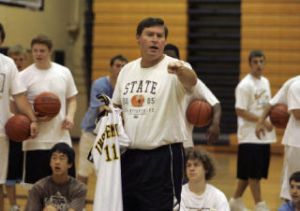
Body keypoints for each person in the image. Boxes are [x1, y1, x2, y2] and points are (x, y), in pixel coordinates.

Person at [112, 17, 197, 210]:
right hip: (130, 157)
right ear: (138, 38)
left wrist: (181, 70)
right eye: (150, 35)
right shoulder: (127, 70)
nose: (155, 39)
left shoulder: (176, 67)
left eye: (160, 36)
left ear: (165, 41)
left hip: (163, 157)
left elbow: (192, 82)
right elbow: (116, 106)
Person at [19, 35, 78, 185]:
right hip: (35, 141)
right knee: (36, 191)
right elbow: (16, 105)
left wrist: (70, 117)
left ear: (50, 51)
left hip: (60, 138)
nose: (38, 54)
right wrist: (32, 117)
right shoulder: (23, 76)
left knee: (64, 190)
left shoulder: (64, 72)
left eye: (42, 51)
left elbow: (72, 99)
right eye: (35, 51)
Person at [229, 50, 276, 211]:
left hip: (264, 135)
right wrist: (261, 121)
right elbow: (240, 110)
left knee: (246, 173)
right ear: (250, 64)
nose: (259, 65)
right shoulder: (244, 85)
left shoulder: (266, 82)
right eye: (255, 62)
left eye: (261, 61)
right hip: (249, 136)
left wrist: (270, 120)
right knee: (253, 175)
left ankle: (235, 200)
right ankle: (260, 205)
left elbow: (266, 106)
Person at [0, 23, 38, 211]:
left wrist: (33, 119)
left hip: (0, 133)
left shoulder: (8, 65)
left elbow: (20, 97)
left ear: (2, 40)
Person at [77, 54, 128, 185]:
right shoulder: (100, 84)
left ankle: (104, 204)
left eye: (124, 66)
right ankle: (80, 205)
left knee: (106, 174)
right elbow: (103, 109)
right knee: (84, 171)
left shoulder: (127, 87)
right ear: (110, 68)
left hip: (111, 135)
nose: (121, 69)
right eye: (118, 65)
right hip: (92, 132)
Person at [164, 43, 221, 146]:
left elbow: (215, 104)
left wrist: (215, 124)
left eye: (173, 58)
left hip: (184, 144)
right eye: (166, 58)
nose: (170, 62)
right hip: (159, 143)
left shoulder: (190, 81)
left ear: (179, 60)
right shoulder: (155, 81)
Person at [256, 75, 300, 201]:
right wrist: (260, 121)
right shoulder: (295, 84)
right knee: (293, 183)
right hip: (296, 142)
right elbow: (296, 113)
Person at [25, 143, 87, 211]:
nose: (57, 162)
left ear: (70, 164)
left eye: (61, 158)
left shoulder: (79, 189)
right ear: (50, 163)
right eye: (54, 158)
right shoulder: (38, 187)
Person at [5, 44, 28, 211]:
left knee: (27, 172)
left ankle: (31, 203)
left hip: (28, 131)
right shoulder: (6, 76)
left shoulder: (29, 77)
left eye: (21, 59)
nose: (18, 62)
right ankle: (13, 204)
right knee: (10, 172)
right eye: (15, 59)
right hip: (12, 129)